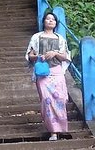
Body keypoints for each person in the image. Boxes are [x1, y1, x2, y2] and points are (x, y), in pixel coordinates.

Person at [25, 12, 71, 141]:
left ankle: (61, 128)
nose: (50, 21)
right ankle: (53, 132)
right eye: (47, 19)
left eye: (53, 19)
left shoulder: (60, 38)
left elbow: (65, 56)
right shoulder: (36, 37)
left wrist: (55, 53)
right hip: (43, 72)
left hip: (57, 72)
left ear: (56, 23)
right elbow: (30, 55)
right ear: (43, 21)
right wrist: (40, 57)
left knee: (61, 99)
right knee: (47, 100)